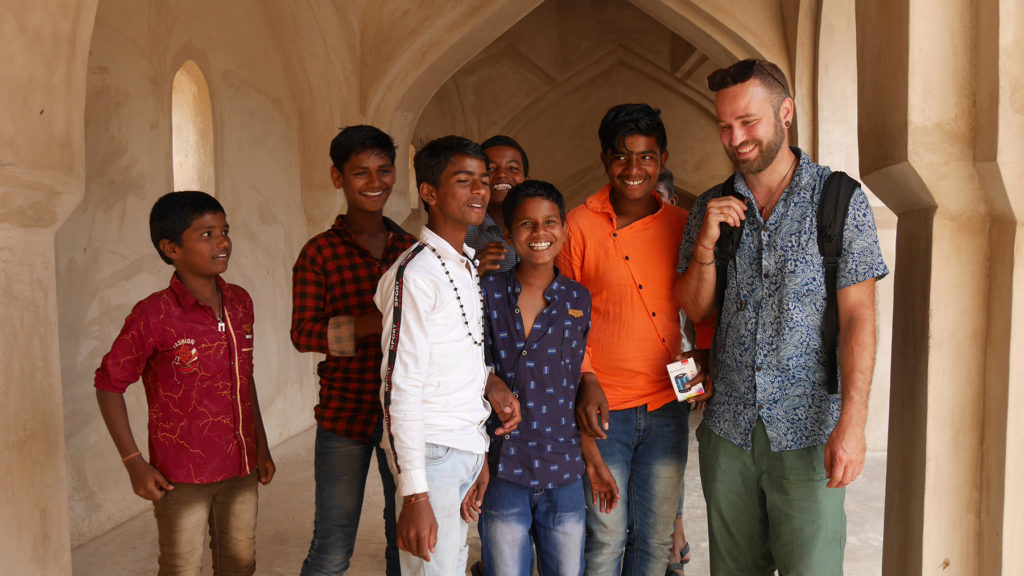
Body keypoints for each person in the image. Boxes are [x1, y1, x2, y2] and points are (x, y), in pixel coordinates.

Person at [675, 58, 888, 576]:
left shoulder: (837, 200)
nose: (736, 137)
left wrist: (853, 424)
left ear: (785, 112)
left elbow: (859, 317)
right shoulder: (712, 206)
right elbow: (695, 307)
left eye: (749, 121)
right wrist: (705, 244)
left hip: (809, 430)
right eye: (725, 125)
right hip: (729, 430)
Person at [556, 103, 711, 576]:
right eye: (622, 157)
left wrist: (702, 350)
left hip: (667, 404)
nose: (634, 169)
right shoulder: (579, 225)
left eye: (645, 157)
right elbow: (565, 316)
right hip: (604, 409)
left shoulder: (682, 224)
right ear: (606, 160)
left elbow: (703, 300)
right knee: (604, 537)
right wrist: (585, 378)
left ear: (662, 159)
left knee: (656, 537)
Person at [95, 191, 275, 576]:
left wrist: (260, 444)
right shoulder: (153, 314)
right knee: (181, 567)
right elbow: (109, 384)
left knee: (240, 561)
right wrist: (133, 463)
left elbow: (244, 378)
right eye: (206, 234)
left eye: (224, 230)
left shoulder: (240, 302)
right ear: (171, 247)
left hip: (240, 467)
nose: (223, 241)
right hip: (181, 476)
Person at [375, 135, 521, 576]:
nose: (480, 189)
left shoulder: (464, 264)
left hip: (462, 447)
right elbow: (399, 387)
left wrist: (476, 449)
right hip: (432, 453)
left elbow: (461, 356)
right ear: (429, 192)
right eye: (464, 180)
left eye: (483, 179)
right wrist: (415, 495)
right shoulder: (416, 274)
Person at [461, 180, 620, 576]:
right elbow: (467, 369)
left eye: (550, 222)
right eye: (528, 224)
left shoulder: (576, 299)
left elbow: (572, 385)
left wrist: (592, 457)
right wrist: (477, 460)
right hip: (503, 468)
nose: (540, 233)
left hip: (562, 468)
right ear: (511, 234)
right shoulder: (486, 292)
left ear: (564, 230)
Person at [290, 125, 416, 576]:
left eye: (383, 171)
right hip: (344, 415)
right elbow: (303, 333)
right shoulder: (319, 253)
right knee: (332, 545)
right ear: (337, 177)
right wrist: (371, 325)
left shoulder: (411, 251)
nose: (374, 182)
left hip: (403, 416)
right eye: (360, 173)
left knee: (399, 542)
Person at [465, 135, 530, 274]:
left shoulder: (543, 228)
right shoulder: (464, 232)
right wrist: (472, 270)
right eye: (491, 169)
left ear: (527, 181)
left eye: (512, 168)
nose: (501, 175)